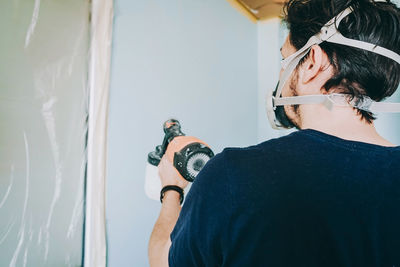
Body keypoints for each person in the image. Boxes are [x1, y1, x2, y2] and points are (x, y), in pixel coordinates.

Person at [148, 0, 400, 266]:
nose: (281, 73)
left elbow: (162, 259)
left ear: (313, 62)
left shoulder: (233, 175)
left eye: (285, 59)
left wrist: (172, 186)